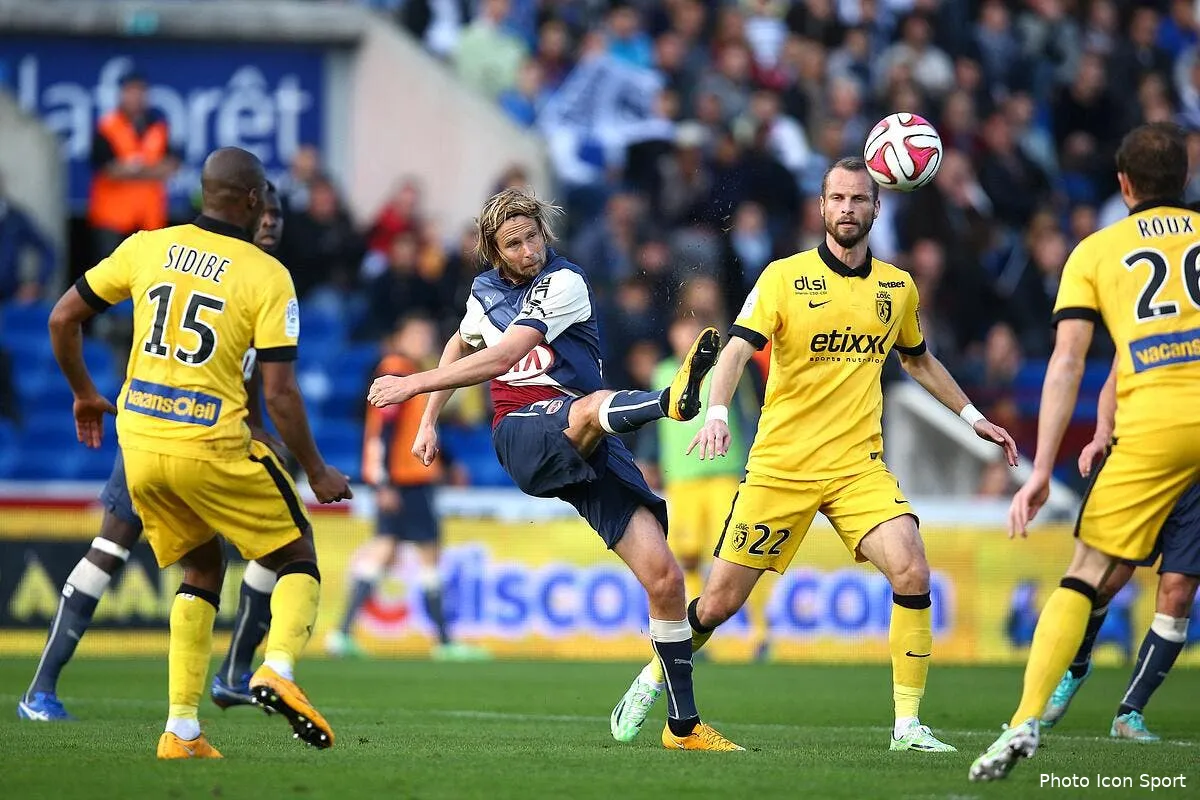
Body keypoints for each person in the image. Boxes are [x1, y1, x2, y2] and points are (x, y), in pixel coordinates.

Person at [609, 157, 1019, 752]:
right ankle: (654, 675)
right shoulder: (784, 277)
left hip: (857, 468)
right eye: (838, 199)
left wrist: (974, 417)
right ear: (821, 207)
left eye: (859, 199)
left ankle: (907, 726)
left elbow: (919, 360)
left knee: (911, 568)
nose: (848, 209)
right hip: (781, 468)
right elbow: (735, 350)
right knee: (719, 603)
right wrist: (717, 414)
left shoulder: (897, 288)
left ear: (876, 207)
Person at [367, 187, 741, 751]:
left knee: (665, 580)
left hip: (587, 439)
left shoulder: (565, 281)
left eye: (532, 237)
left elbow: (501, 354)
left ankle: (682, 727)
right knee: (591, 408)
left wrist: (410, 385)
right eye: (513, 244)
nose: (528, 251)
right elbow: (461, 344)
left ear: (545, 233)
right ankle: (670, 402)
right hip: (522, 433)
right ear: (494, 251)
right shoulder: (484, 292)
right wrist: (427, 419)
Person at [45, 147, 351, 759]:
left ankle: (181, 730)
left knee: (203, 566)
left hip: (139, 445)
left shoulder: (145, 247)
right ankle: (277, 669)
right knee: (296, 552)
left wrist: (84, 392)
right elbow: (280, 392)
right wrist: (317, 469)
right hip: (208, 440)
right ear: (252, 201)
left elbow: (61, 317)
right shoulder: (265, 274)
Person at [973, 122, 1200, 781]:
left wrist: (1042, 469)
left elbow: (1068, 361)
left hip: (1156, 424)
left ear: (1123, 185)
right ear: (1185, 179)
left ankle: (1025, 720)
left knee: (1086, 572)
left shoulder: (1096, 252)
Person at [17, 184, 289, 722]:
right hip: (163, 429)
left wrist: (257, 426)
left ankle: (234, 674)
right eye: (266, 212)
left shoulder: (259, 278)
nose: (272, 222)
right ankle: (40, 689)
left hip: (209, 438)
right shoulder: (223, 271)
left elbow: (249, 372)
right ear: (244, 208)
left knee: (263, 545)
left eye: (280, 215)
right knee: (113, 546)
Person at [1040, 358, 1200, 742]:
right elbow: (1116, 376)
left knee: (1178, 594)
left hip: (1195, 481)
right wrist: (1102, 434)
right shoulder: (1150, 322)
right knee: (1105, 580)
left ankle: (1130, 712)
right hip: (1141, 462)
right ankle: (1077, 665)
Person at [327, 313, 488, 661]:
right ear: (399, 338)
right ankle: (444, 641)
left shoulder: (409, 372)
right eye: (416, 334)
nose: (424, 340)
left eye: (427, 335)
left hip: (400, 478)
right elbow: (384, 431)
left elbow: (412, 428)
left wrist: (447, 463)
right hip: (406, 480)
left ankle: (342, 634)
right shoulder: (398, 370)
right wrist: (384, 481)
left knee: (385, 550)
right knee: (428, 554)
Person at [646, 313, 774, 660]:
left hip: (724, 474)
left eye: (693, 330)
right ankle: (693, 636)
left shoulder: (727, 369)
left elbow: (749, 414)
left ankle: (761, 635)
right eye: (681, 330)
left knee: (738, 557)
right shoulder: (662, 372)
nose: (687, 337)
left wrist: (755, 461)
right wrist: (648, 458)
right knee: (687, 556)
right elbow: (655, 420)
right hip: (681, 479)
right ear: (672, 335)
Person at [88, 72, 179, 263]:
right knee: (110, 272)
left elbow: (170, 166)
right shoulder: (107, 127)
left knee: (149, 271)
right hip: (113, 219)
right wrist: (149, 169)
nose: (136, 97)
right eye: (130, 91)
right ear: (121, 94)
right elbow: (109, 170)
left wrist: (133, 168)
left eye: (140, 91)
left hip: (149, 219)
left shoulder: (158, 126)